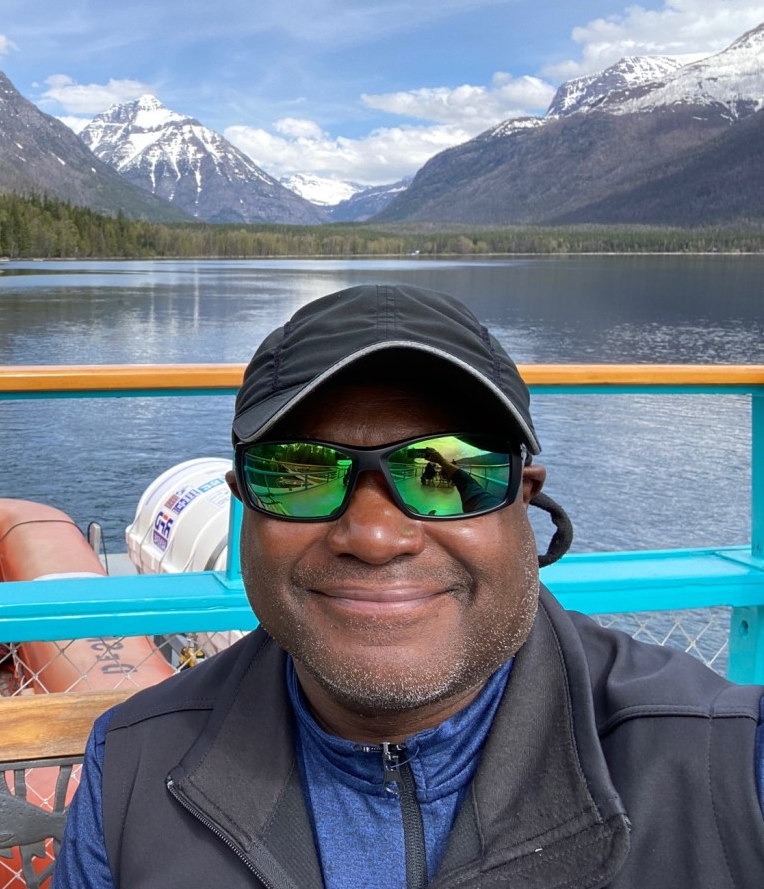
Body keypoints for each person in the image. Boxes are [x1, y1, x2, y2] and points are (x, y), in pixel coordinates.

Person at [53, 284, 764, 888]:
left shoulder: (728, 766)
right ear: (247, 508)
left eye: (447, 473)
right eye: (300, 472)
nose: (373, 535)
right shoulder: (134, 768)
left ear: (524, 500)